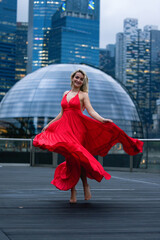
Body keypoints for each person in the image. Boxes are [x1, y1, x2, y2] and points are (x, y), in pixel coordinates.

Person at [33, 69, 143, 203]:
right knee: (71, 159)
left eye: (81, 79)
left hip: (78, 129)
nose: (78, 80)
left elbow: (90, 111)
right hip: (65, 129)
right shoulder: (65, 93)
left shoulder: (83, 95)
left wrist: (102, 119)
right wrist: (49, 125)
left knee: (78, 158)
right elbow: (61, 113)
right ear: (72, 78)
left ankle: (84, 186)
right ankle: (73, 191)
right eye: (77, 77)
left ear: (83, 82)